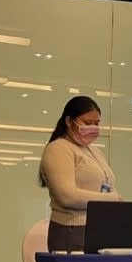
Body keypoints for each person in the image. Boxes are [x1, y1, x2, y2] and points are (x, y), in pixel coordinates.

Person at [39, 96, 122, 252]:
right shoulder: (59, 148)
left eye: (97, 123)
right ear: (69, 121)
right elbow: (67, 196)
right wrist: (111, 199)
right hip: (72, 230)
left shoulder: (94, 150)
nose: (94, 128)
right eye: (87, 123)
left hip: (98, 228)